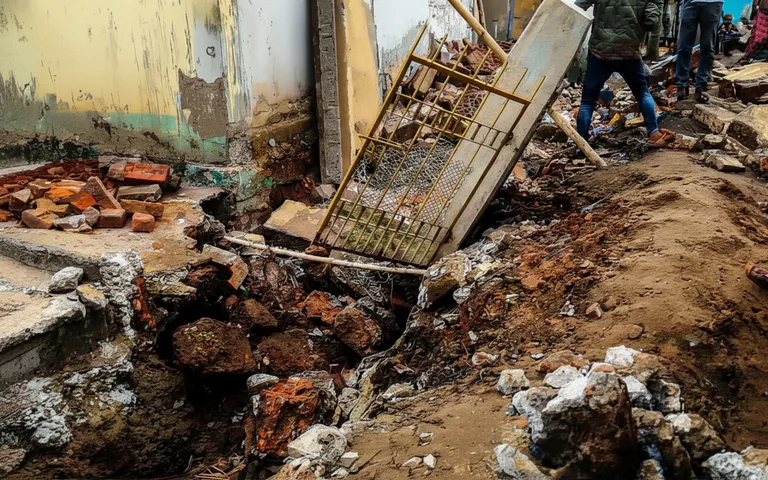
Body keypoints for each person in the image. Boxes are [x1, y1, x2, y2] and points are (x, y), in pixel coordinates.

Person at [575, 0, 666, 144]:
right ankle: (653, 131)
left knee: (588, 100)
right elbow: (652, 23)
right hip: (629, 52)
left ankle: (582, 139)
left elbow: (577, 6)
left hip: (600, 52)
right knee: (642, 93)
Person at [675, 0, 723, 103]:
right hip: (691, 2)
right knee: (683, 46)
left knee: (708, 47)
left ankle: (701, 86)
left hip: (713, 3)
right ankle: (681, 85)